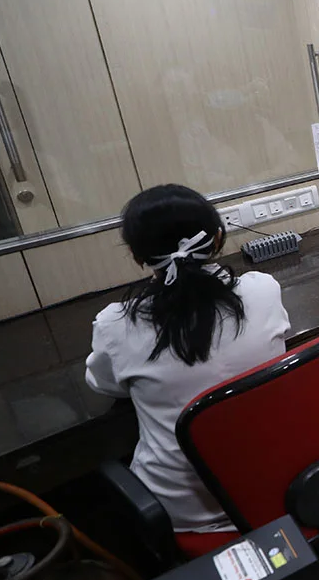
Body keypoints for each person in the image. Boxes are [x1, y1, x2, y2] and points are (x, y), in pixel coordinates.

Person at [85, 185, 290, 537]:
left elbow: (103, 384)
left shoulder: (115, 325)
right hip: (280, 482)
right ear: (218, 238)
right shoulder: (262, 291)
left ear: (137, 256)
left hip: (189, 515)